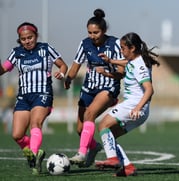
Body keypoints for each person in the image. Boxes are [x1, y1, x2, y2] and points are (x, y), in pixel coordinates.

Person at [0, 22, 68, 175]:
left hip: (43, 93)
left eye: (30, 37)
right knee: (17, 134)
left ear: (36, 36)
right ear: (20, 40)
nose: (27, 41)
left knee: (35, 123)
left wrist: (62, 73)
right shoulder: (16, 53)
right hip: (23, 97)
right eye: (23, 39)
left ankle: (35, 156)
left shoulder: (45, 49)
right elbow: (3, 69)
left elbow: (63, 65)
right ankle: (34, 153)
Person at [64, 8, 125, 167]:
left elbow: (121, 72)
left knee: (89, 114)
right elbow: (75, 66)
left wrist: (106, 73)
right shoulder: (85, 44)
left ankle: (81, 153)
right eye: (90, 32)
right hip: (89, 88)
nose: (92, 36)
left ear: (104, 31)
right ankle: (94, 147)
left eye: (96, 32)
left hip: (108, 87)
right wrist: (68, 78)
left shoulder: (115, 44)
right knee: (80, 129)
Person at [94, 32, 160, 177]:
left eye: (123, 48)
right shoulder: (136, 60)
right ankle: (128, 167)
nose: (122, 51)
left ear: (133, 48)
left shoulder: (140, 65)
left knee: (103, 125)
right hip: (139, 110)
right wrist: (111, 61)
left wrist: (137, 108)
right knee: (109, 135)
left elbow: (149, 90)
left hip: (134, 106)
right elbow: (128, 63)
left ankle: (112, 159)